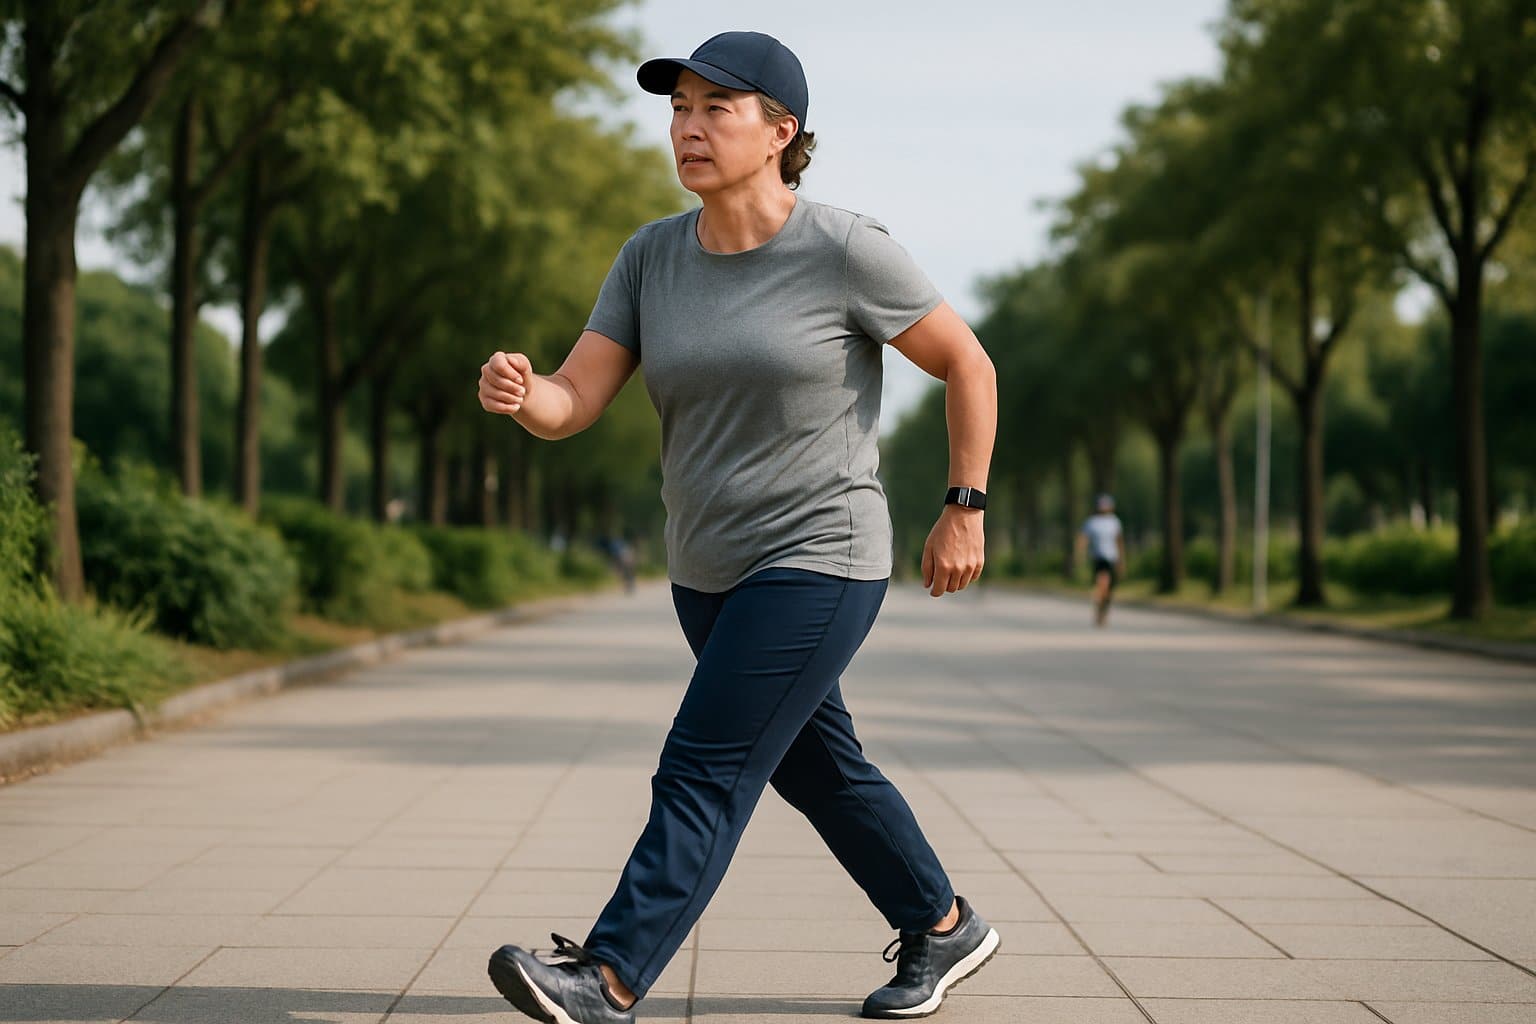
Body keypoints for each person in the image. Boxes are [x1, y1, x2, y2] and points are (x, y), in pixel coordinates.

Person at [476, 30, 999, 1024]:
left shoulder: (844, 247)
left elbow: (969, 365)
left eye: (718, 108)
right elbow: (575, 399)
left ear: (780, 131)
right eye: (679, 108)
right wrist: (524, 393)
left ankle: (611, 973)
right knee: (820, 766)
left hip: (822, 554)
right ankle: (943, 923)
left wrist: (963, 507)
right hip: (705, 568)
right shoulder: (650, 257)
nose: (689, 126)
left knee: (706, 764)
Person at [1077, 493, 1126, 627]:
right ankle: (1099, 606)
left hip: (1112, 558)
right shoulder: (1092, 522)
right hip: (1098, 557)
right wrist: (1080, 555)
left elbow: (1119, 541)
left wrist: (1121, 561)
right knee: (1102, 582)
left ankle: (1103, 610)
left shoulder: (1114, 521)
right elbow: (1083, 539)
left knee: (1109, 590)